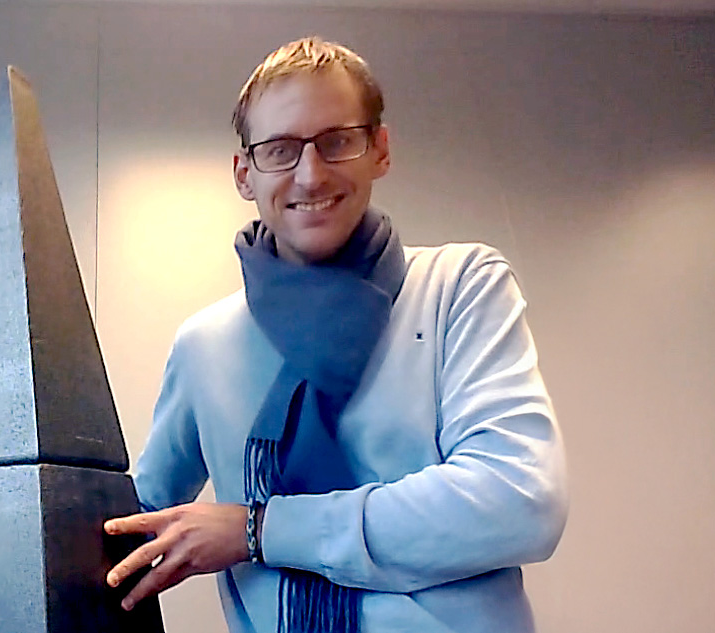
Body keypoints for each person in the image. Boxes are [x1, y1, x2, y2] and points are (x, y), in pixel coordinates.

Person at [103, 36, 567, 633]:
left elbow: (519, 501)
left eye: (337, 141)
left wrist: (259, 530)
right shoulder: (204, 345)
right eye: (279, 150)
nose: (310, 174)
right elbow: (129, 527)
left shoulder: (459, 286)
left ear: (380, 150)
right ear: (244, 174)